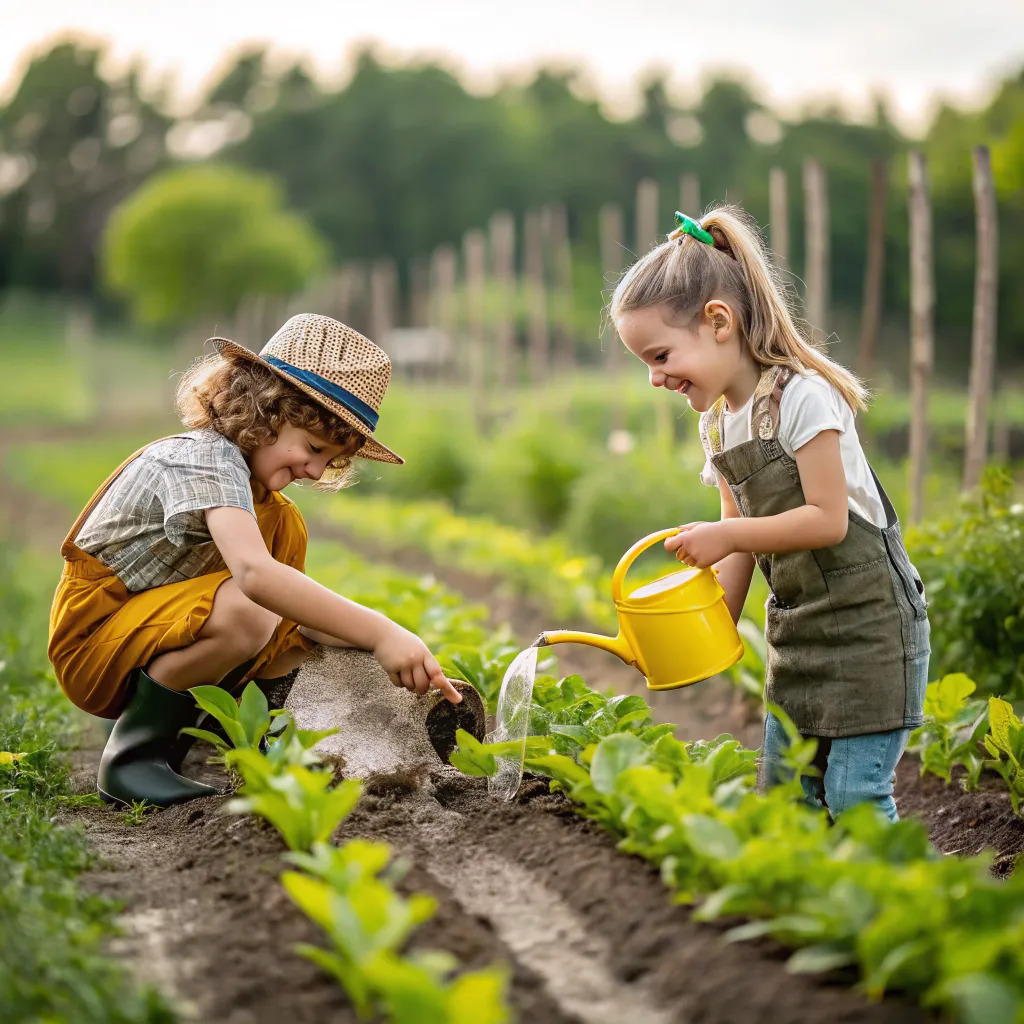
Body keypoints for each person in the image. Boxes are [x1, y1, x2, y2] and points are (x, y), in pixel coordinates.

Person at [49, 313, 463, 808]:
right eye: (313, 447)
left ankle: (269, 739)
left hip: (149, 638)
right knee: (252, 607)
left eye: (330, 460)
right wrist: (380, 631)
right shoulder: (203, 458)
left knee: (284, 589)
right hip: (96, 640)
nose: (316, 470)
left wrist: (393, 651)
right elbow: (255, 578)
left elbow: (294, 620)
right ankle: (134, 758)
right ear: (264, 410)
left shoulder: (268, 509)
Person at [610, 206, 930, 823]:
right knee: (786, 798)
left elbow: (828, 520)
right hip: (798, 636)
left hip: (870, 630)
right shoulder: (718, 426)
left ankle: (897, 883)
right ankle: (815, 884)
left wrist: (727, 533)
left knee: (855, 796)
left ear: (719, 322)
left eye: (661, 355)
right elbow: (739, 548)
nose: (654, 378)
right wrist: (709, 633)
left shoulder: (803, 397)